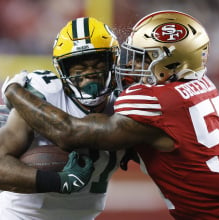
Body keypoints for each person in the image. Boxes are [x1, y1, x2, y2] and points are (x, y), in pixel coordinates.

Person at [4, 10, 218, 220]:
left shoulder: (146, 101)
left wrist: (13, 91)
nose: (132, 65)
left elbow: (68, 132)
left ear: (171, 65)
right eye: (78, 68)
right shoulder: (201, 85)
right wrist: (52, 181)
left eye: (142, 58)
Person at [0, 17, 134, 220]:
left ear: (113, 62)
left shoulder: (128, 103)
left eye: (97, 62)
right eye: (78, 68)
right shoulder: (44, 96)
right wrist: (55, 181)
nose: (90, 74)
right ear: (62, 69)